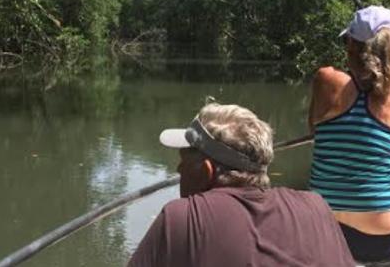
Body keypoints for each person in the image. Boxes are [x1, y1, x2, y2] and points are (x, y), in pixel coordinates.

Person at [128, 103, 355, 267]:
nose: (178, 170)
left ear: (207, 171)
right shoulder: (316, 206)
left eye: (184, 160)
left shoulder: (181, 218)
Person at [308, 5, 390, 262]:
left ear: (350, 44)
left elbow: (314, 129)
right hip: (383, 240)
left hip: (324, 230)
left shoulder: (326, 80)